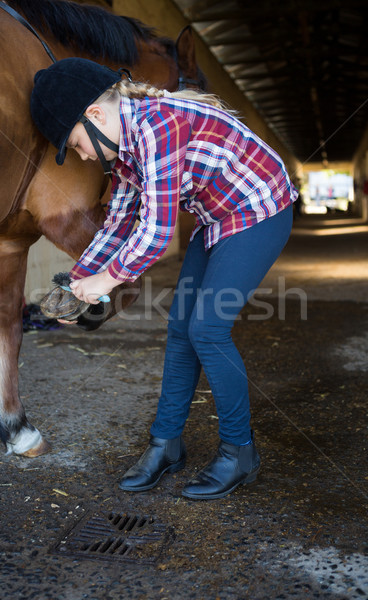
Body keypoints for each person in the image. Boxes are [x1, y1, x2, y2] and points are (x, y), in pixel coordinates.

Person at [31, 58, 298, 500]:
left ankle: (240, 452)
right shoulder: (126, 153)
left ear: (95, 116)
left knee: (207, 330)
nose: (79, 155)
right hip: (216, 217)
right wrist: (76, 282)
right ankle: (166, 445)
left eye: (75, 144)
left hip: (259, 209)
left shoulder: (158, 125)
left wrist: (108, 280)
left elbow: (156, 231)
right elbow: (119, 223)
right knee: (180, 329)